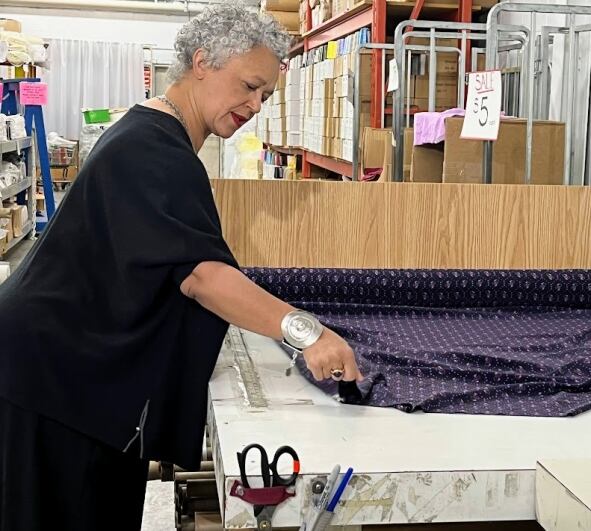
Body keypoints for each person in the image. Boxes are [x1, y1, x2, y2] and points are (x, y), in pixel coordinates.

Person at [0, 3, 361, 529]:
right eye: (248, 86)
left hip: (66, 372)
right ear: (201, 62)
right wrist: (309, 333)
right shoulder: (153, 150)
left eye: (265, 95)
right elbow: (200, 274)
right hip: (52, 381)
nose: (255, 105)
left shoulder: (156, 134)